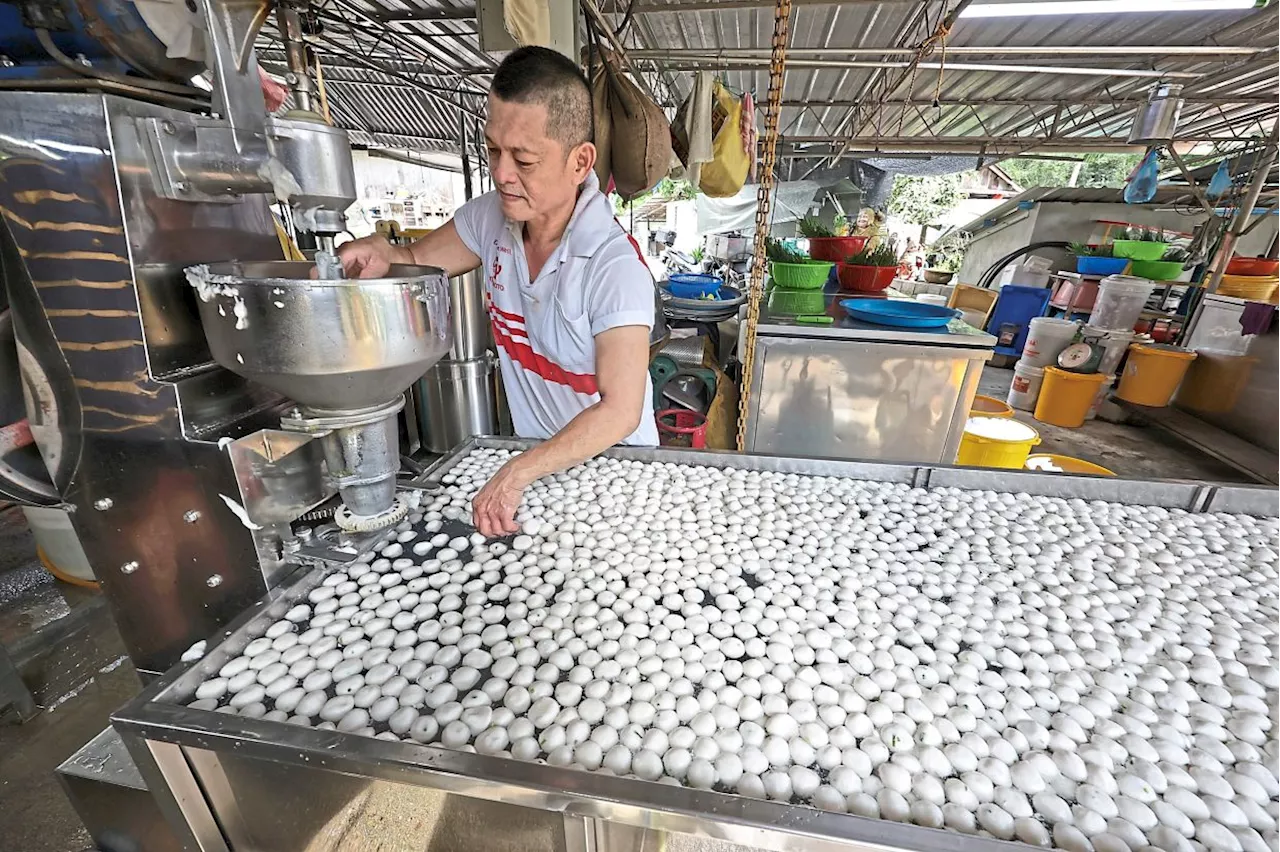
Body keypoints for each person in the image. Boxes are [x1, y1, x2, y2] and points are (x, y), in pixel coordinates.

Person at [335, 47, 658, 538]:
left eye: (524, 159)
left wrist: (519, 471)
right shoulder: (493, 217)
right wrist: (385, 252)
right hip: (537, 471)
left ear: (580, 162)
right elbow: (420, 262)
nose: (502, 174)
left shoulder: (613, 267)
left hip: (616, 476)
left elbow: (619, 410)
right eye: (493, 150)